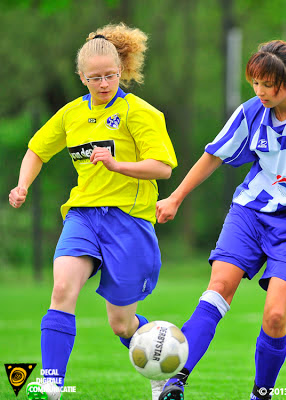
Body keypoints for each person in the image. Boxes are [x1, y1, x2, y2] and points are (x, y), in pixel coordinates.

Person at [155, 40, 286, 400]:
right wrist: (175, 197)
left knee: (275, 317)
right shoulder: (252, 111)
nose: (260, 92)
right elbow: (214, 154)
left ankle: (261, 394)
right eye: (255, 83)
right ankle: (176, 379)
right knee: (219, 287)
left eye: (268, 84)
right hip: (250, 214)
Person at [9, 23, 177, 400]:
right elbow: (37, 150)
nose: (104, 83)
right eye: (95, 77)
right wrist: (23, 185)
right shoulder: (71, 114)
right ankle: (52, 383)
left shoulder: (139, 112)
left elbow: (162, 167)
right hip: (83, 216)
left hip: (128, 221)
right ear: (82, 77)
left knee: (121, 324)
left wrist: (119, 166)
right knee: (62, 289)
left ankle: (163, 371)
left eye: (111, 76)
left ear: (122, 71)